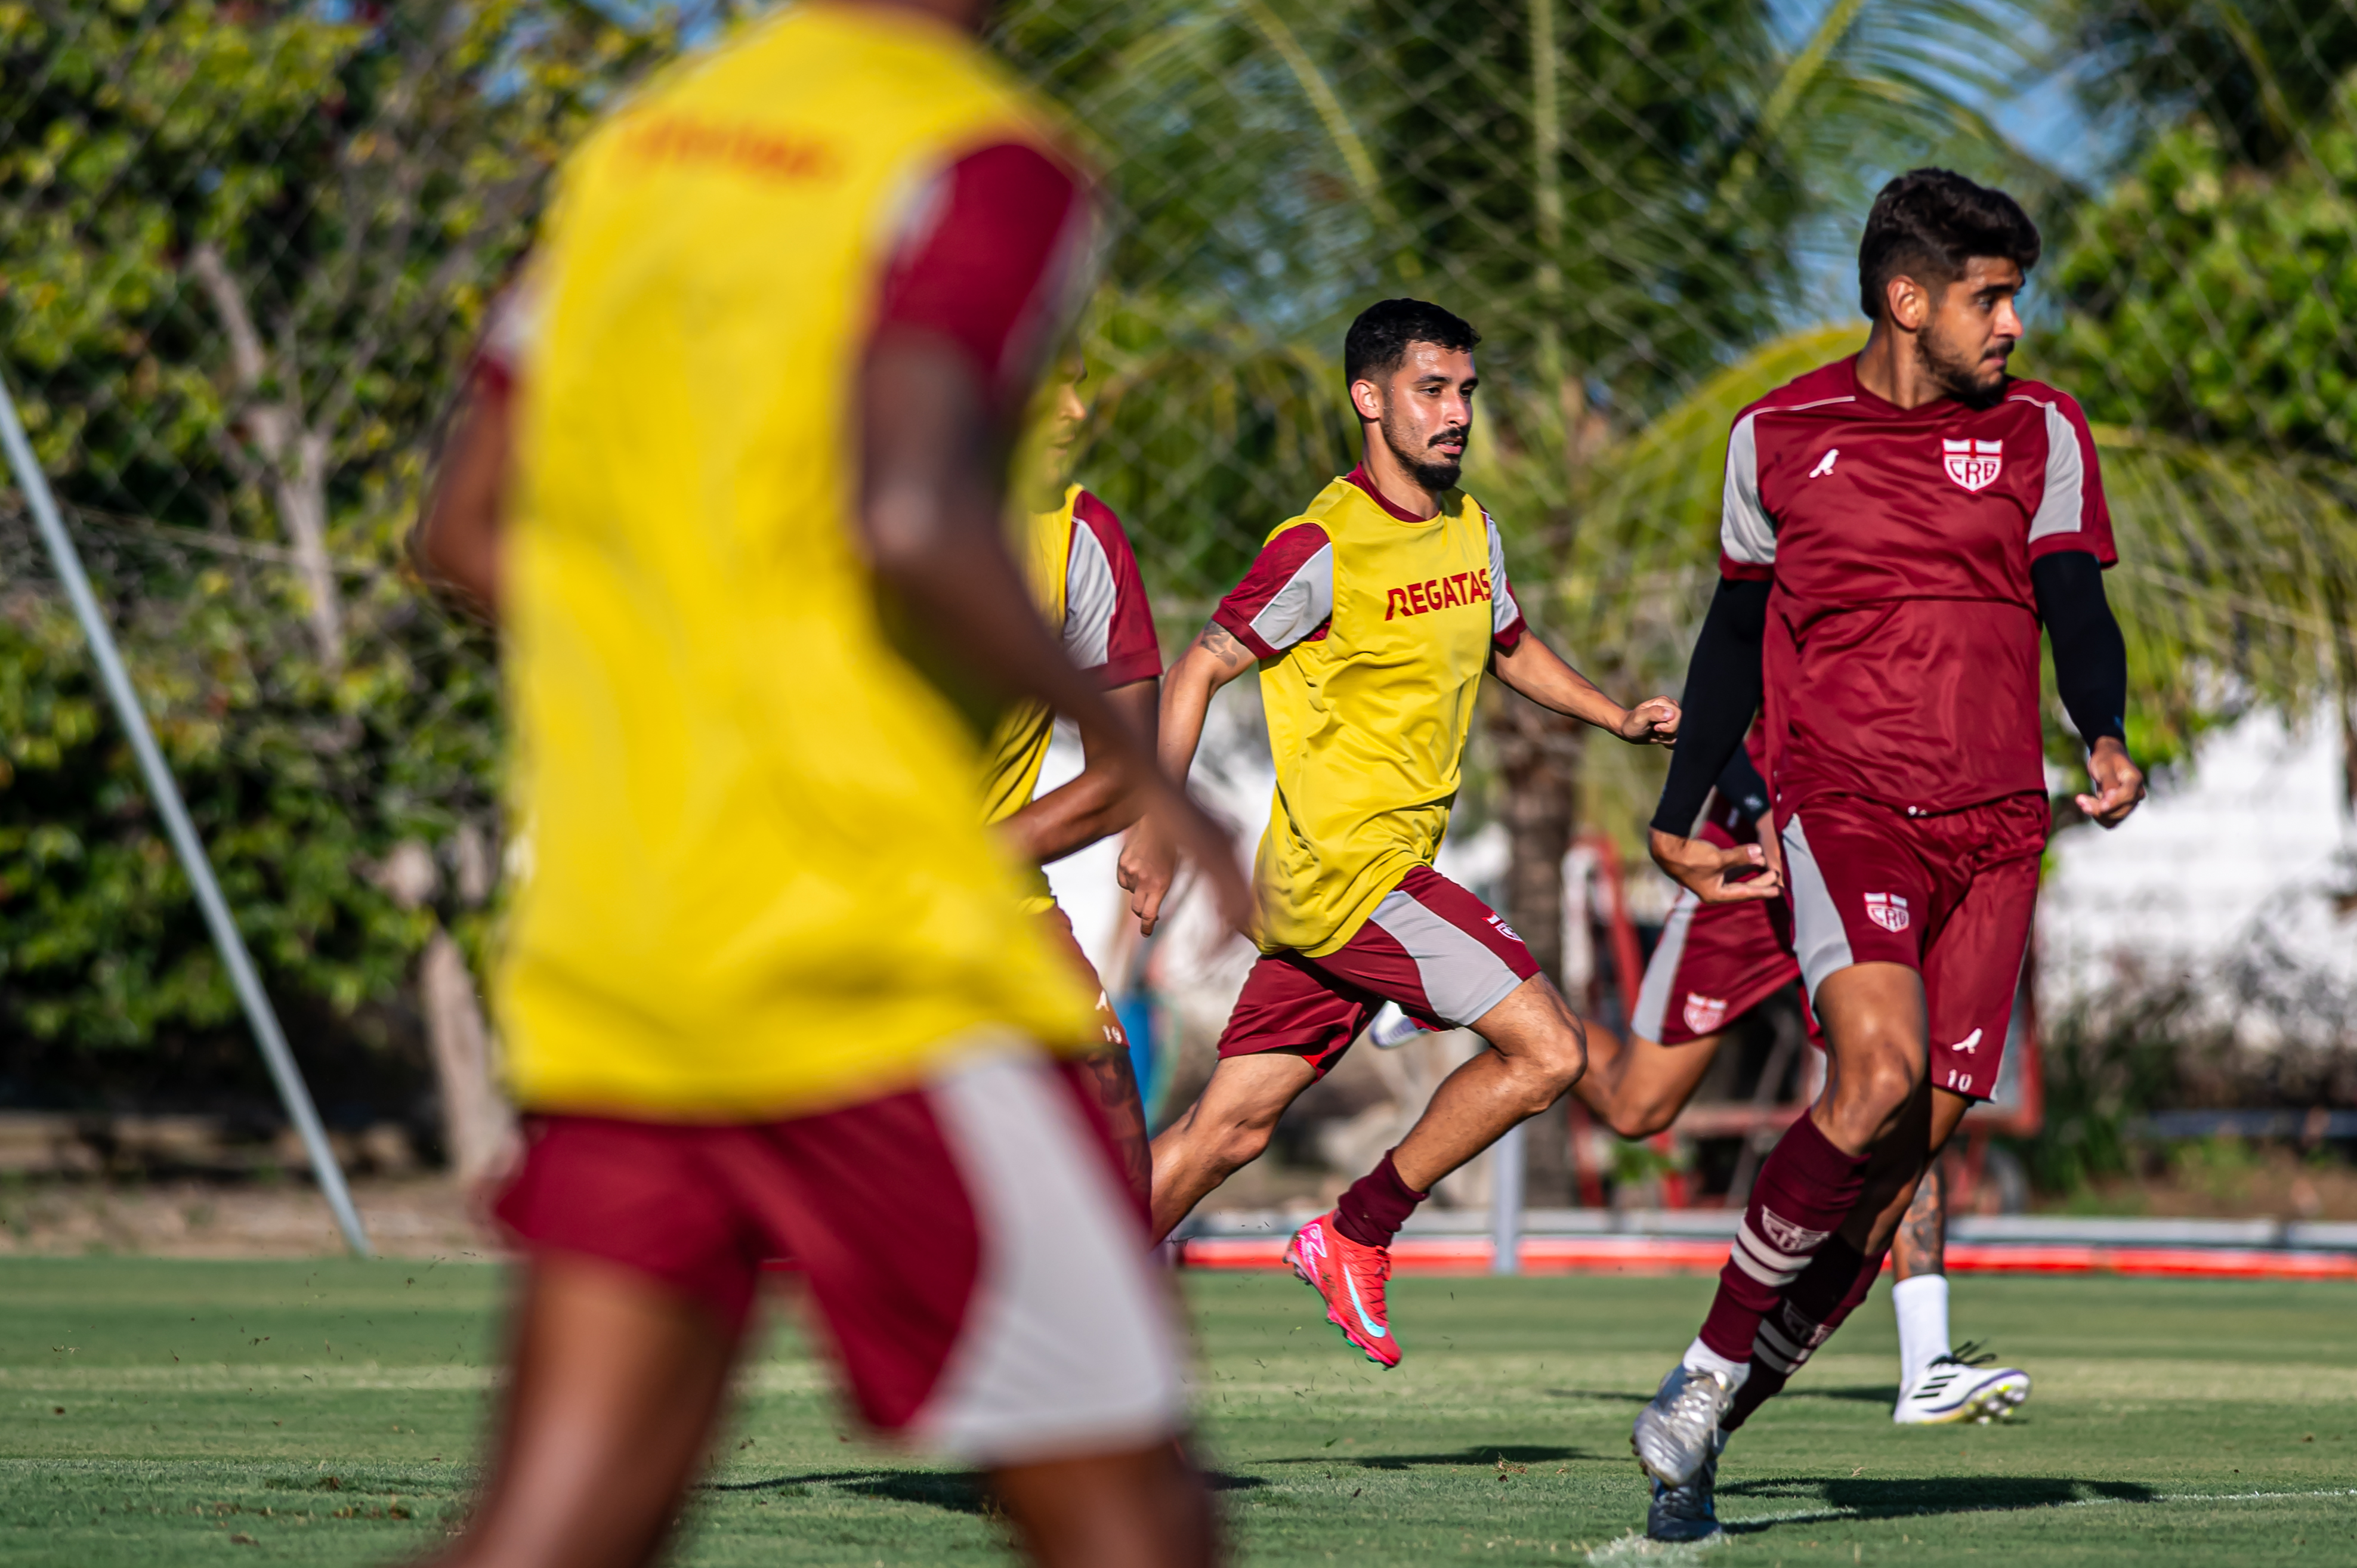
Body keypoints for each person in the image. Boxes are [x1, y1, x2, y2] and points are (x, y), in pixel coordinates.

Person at [406, 2, 1250, 1564]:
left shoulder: (638, 148)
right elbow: (911, 510)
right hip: (862, 958)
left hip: (624, 941)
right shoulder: (984, 159)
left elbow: (461, 528)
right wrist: (1152, 769)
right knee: (1138, 1520)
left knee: (551, 1528)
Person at [1627, 168, 2143, 1543]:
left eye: (2016, 295)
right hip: (1842, 805)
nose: (2013, 324)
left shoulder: (2041, 432)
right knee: (1871, 1074)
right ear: (1906, 301)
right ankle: (1704, 1357)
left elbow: (2072, 597)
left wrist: (2103, 731)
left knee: (1888, 1178)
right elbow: (1732, 638)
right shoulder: (1775, 436)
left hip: (1996, 831)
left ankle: (1701, 1418)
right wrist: (1680, 809)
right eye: (1990, 295)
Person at [1122, 297, 1679, 1369]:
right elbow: (1198, 664)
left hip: (1357, 887)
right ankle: (1356, 1230)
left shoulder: (1471, 529)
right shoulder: (1321, 544)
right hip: (1351, 876)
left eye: (1466, 390)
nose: (1456, 411)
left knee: (1225, 1133)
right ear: (1368, 399)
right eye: (1432, 389)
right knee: (1549, 1048)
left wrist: (1614, 712)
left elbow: (1507, 639)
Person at [1575, 730, 2032, 1431]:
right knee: (1638, 1106)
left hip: (1862, 853)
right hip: (1755, 872)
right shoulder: (1787, 617)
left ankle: (1926, 1361)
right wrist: (1757, 801)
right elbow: (1719, 694)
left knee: (1893, 1088)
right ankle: (1504, 1001)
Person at [984, 358, 1167, 1201]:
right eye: (1044, 379)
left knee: (1116, 1185)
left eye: (1079, 380)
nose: (1075, 408)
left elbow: (1124, 772)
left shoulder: (1077, 533)